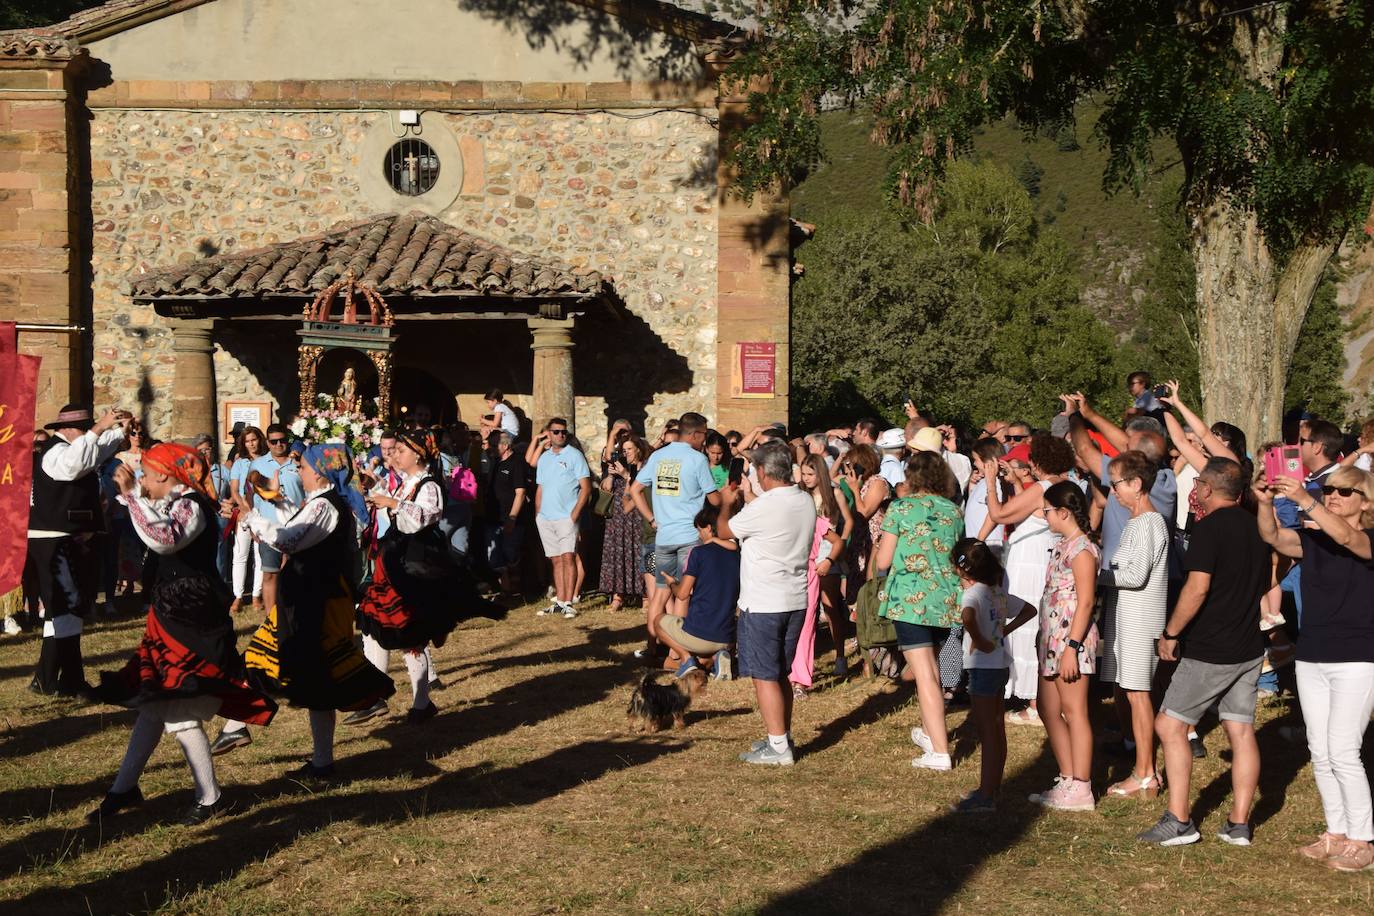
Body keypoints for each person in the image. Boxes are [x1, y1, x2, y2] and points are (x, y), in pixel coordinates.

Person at [88, 443, 276, 825]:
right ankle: (123, 789)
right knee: (154, 705)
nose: (142, 480)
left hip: (191, 619)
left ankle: (210, 796)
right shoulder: (179, 501)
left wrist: (129, 495)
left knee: (177, 707)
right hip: (173, 614)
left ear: (163, 475)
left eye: (146, 473)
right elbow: (156, 521)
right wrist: (135, 497)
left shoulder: (191, 506)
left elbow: (164, 538)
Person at [217, 444, 395, 776]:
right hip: (306, 597)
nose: (299, 471)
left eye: (303, 467)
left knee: (297, 669)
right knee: (277, 662)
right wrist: (275, 501)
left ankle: (243, 730)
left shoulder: (325, 507)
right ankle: (243, 730)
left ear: (319, 472)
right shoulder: (319, 504)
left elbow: (288, 540)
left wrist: (251, 514)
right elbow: (296, 527)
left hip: (316, 601)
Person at [1139, 458, 1269, 847]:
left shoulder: (1210, 528)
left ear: (1208, 490)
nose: (1194, 491)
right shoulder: (1255, 525)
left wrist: (1170, 632)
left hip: (1212, 648)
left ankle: (1179, 820)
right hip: (1248, 645)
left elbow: (1196, 589)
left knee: (1169, 725)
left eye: (1197, 485)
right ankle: (1238, 824)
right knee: (1241, 729)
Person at [1256, 468, 1374, 871]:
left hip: (1357, 657)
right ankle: (1336, 832)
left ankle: (1362, 840)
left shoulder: (1367, 539)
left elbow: (1348, 538)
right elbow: (1273, 537)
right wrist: (1266, 502)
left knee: (1343, 750)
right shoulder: (1314, 539)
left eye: (1345, 491)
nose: (1334, 496)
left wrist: (1308, 500)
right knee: (1321, 751)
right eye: (1329, 490)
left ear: (1366, 500)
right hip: (1313, 656)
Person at [716, 441, 816, 765]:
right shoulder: (803, 499)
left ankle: (778, 748)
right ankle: (780, 736)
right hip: (795, 597)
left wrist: (728, 503)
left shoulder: (763, 507)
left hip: (763, 602)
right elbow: (772, 513)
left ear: (761, 471)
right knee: (780, 674)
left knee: (764, 676)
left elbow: (724, 529)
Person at [355, 429, 463, 725]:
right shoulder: (406, 483)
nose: (396, 455)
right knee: (376, 626)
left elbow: (425, 517)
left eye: (401, 450)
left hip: (414, 566)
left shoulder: (429, 484)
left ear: (417, 454)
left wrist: (392, 504)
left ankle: (420, 701)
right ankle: (377, 695)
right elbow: (393, 508)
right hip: (393, 562)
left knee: (408, 635)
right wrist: (376, 493)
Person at [27, 404, 129, 697]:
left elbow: (95, 451)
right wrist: (98, 428)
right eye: (84, 430)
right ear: (72, 430)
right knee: (68, 606)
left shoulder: (77, 449)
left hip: (66, 537)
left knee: (65, 608)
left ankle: (46, 678)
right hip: (54, 538)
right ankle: (70, 680)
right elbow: (73, 465)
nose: (88, 435)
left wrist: (121, 429)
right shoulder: (56, 453)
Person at [874, 452, 964, 771]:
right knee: (933, 672)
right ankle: (929, 732)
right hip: (947, 599)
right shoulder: (954, 511)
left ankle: (940, 751)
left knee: (924, 675)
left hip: (910, 600)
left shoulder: (900, 509)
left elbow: (883, 561)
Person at [981, 434, 1076, 724]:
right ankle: (1043, 699)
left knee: (1026, 627)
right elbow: (1035, 513)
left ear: (1036, 463)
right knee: (1041, 627)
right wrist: (1016, 483)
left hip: (1029, 564)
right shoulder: (1064, 485)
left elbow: (999, 514)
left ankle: (1036, 703)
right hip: (1044, 559)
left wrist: (990, 481)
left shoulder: (1043, 487)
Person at [1099, 450, 1170, 799]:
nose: (1113, 492)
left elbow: (1135, 575)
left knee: (1140, 696)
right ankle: (1144, 770)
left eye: (1116, 484)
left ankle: (1146, 772)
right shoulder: (1139, 521)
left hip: (1142, 620)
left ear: (1136, 484)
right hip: (1134, 617)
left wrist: (1096, 575)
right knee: (1134, 693)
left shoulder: (1147, 523)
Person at [947, 538, 1036, 812]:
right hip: (999, 667)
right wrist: (1003, 633)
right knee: (997, 729)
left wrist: (979, 639)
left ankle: (985, 796)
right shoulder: (996, 593)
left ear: (964, 570)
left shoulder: (972, 595)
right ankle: (992, 788)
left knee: (987, 732)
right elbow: (1029, 610)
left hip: (982, 669)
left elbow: (967, 617)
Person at [1028, 481, 1101, 812]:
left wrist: (1072, 646)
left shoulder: (1082, 550)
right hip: (1052, 637)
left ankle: (1082, 787)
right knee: (1047, 707)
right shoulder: (1062, 545)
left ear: (1063, 512)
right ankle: (1068, 776)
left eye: (1047, 510)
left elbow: (1086, 602)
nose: (1044, 516)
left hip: (1071, 639)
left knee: (1074, 711)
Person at [630, 412, 721, 654]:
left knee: (659, 594)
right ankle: (677, 651)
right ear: (694, 434)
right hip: (689, 536)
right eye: (704, 434)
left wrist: (651, 519)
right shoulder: (697, 459)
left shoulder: (658, 456)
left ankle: (652, 646)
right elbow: (714, 497)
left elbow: (635, 489)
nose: (705, 440)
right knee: (683, 595)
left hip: (664, 536)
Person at [659, 502, 740, 683]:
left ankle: (686, 659)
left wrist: (672, 584)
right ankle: (718, 657)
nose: (699, 535)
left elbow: (682, 594)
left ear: (709, 528)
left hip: (700, 633)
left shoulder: (699, 553)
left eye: (700, 530)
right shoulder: (737, 554)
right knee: (704, 661)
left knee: (658, 622)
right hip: (727, 635)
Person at [798, 454, 853, 678]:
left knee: (829, 606)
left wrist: (841, 544)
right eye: (803, 474)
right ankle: (804, 658)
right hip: (806, 553)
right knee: (806, 608)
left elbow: (849, 519)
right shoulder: (802, 495)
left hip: (827, 552)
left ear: (819, 473)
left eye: (810, 474)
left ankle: (840, 655)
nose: (806, 478)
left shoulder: (834, 493)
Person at [530, 418, 591, 618]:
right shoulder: (545, 458)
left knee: (568, 557)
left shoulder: (575, 456)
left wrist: (574, 514)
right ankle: (559, 601)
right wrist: (538, 514)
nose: (560, 435)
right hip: (546, 517)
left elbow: (586, 487)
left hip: (566, 516)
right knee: (556, 560)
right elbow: (541, 487)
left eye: (563, 432)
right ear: (549, 433)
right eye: (556, 432)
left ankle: (568, 601)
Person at [252, 424, 306, 618]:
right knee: (269, 574)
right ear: (267, 443)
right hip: (269, 528)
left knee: (296, 575)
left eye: (282, 440)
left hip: (297, 527)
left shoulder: (300, 462)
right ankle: (270, 620)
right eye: (274, 441)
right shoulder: (258, 465)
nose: (279, 444)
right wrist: (253, 526)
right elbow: (253, 499)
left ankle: (294, 616)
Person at [599, 434, 649, 612]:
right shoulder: (619, 464)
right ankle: (617, 596)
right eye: (624, 450)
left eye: (629, 449)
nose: (626, 453)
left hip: (638, 514)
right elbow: (605, 488)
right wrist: (612, 475)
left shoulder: (644, 467)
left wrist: (626, 475)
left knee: (639, 553)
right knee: (617, 555)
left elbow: (642, 487)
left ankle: (645, 597)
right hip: (619, 516)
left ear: (638, 450)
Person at [837, 444, 890, 604]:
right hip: (859, 541)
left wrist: (854, 489)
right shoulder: (862, 482)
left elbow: (864, 512)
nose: (846, 469)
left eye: (850, 465)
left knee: (870, 584)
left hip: (873, 541)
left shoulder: (877, 482)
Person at [227, 425, 266, 614]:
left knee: (259, 555)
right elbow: (234, 490)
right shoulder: (240, 463)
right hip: (244, 512)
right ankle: (238, 596)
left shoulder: (268, 461)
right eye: (247, 441)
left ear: (260, 439)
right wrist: (244, 508)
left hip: (263, 513)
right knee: (240, 555)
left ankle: (257, 594)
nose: (251, 444)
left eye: (254, 439)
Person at [485, 431, 528, 598]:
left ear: (505, 445)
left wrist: (512, 518)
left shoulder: (516, 462)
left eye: (494, 444)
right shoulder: (494, 463)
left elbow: (521, 492)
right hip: (493, 517)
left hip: (510, 518)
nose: (491, 448)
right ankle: (506, 590)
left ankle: (514, 590)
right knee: (494, 556)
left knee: (511, 554)